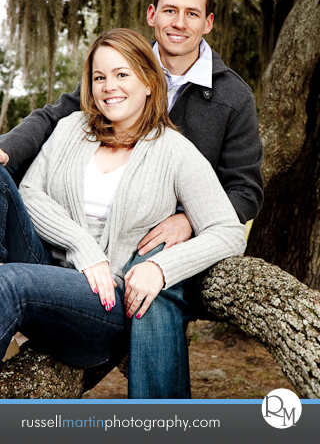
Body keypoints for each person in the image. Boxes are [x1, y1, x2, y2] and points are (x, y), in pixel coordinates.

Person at [0, 29, 246, 398]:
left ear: (149, 82)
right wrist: (82, 245)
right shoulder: (71, 129)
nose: (108, 86)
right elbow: (30, 192)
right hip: (45, 264)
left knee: (10, 282)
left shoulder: (175, 151)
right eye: (99, 77)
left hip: (102, 305)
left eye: (121, 75)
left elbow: (228, 231)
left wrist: (161, 268)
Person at [0, 0, 263, 245]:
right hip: (88, 217)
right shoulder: (118, 67)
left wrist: (189, 221)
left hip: (154, 240)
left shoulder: (234, 96)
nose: (179, 23)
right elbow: (55, 117)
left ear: (208, 23)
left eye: (192, 14)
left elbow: (245, 191)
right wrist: (6, 148)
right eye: (170, 10)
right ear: (152, 15)